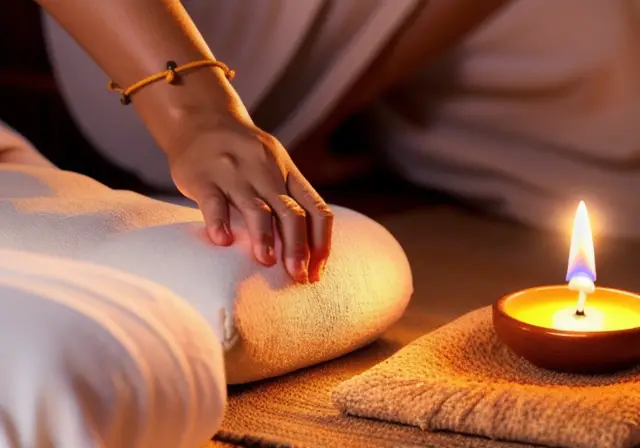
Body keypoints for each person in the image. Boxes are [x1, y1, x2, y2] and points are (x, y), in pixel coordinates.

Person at [43, 0, 640, 237]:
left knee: (618, 89)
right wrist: (195, 114)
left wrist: (343, 93)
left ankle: (341, 113)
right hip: (154, 44)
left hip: (340, 56)